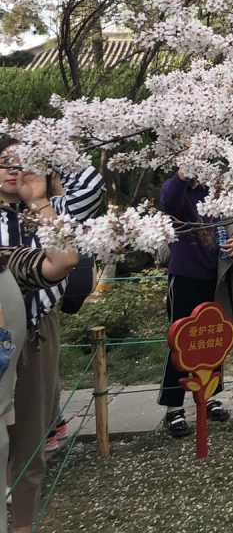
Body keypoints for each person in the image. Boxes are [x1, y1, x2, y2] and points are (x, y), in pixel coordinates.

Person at [0, 137, 102, 533]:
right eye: (5, 162)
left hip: (38, 328)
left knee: (30, 436)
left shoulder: (55, 210)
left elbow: (90, 186)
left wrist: (44, 185)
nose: (14, 169)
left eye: (23, 162)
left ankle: (23, 522)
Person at [156, 172, 233, 437]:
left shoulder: (221, 192)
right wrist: (182, 176)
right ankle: (174, 409)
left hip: (216, 279)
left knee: (214, 340)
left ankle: (209, 397)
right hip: (184, 277)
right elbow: (168, 203)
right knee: (180, 342)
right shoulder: (180, 191)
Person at [0, 234, 80, 533]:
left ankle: (22, 524)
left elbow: (61, 262)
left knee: (29, 441)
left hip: (33, 332)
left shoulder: (11, 258)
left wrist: (41, 204)